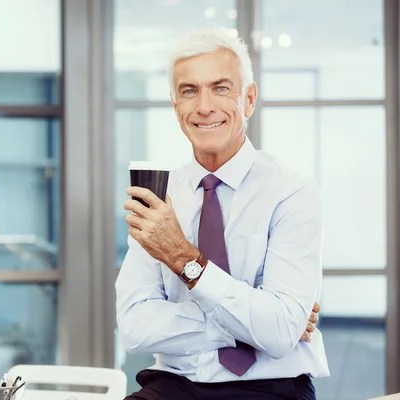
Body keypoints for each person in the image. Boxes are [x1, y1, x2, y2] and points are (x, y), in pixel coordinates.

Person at [116, 27, 329, 400]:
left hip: (270, 387)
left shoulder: (293, 192)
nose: (203, 106)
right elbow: (134, 327)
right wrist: (253, 323)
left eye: (220, 88)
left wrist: (182, 257)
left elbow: (279, 334)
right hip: (172, 385)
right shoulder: (161, 194)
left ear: (248, 99)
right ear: (175, 106)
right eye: (188, 91)